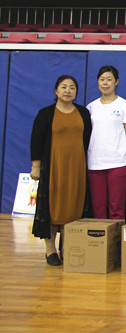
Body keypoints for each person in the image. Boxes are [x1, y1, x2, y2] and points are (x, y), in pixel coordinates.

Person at [30, 74, 92, 266]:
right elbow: (36, 141)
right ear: (56, 91)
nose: (68, 91)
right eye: (64, 87)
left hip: (76, 168)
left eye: (72, 87)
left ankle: (67, 247)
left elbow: (87, 139)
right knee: (52, 208)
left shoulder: (83, 113)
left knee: (73, 207)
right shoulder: (45, 114)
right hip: (53, 168)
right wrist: (36, 167)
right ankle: (50, 250)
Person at [86, 65, 126, 220]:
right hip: (95, 163)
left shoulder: (125, 105)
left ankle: (116, 236)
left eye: (109, 79)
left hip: (117, 162)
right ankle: (100, 236)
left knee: (117, 208)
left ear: (116, 82)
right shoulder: (91, 107)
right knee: (98, 208)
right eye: (102, 79)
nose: (105, 83)